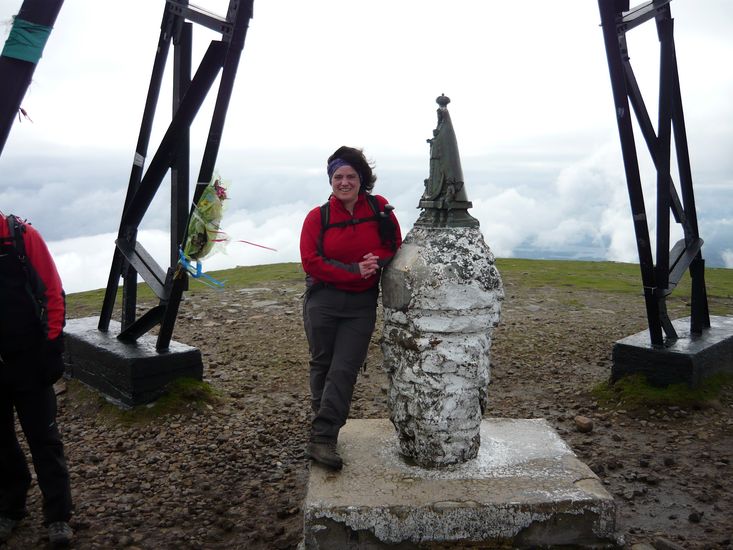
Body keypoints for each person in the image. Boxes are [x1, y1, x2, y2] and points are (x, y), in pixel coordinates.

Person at [300, 146, 402, 470]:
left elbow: (394, 245)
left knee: (343, 369)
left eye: (351, 176)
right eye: (338, 177)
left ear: (362, 179)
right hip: (323, 300)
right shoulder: (318, 217)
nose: (344, 182)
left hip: (360, 305)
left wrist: (378, 260)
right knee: (322, 364)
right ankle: (322, 422)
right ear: (331, 180)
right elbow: (311, 261)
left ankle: (323, 438)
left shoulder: (380, 208)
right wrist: (353, 270)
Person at [0, 212, 73, 547]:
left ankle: (58, 516)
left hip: (29, 360)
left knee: (44, 440)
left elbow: (53, 292)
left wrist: (53, 347)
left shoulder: (21, 236)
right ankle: (11, 508)